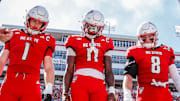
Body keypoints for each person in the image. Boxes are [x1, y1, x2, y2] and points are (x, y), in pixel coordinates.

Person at [0, 5, 55, 101]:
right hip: (10, 81)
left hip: (32, 84)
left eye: (39, 23)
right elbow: (2, 60)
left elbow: (48, 67)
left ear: (44, 25)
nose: (36, 25)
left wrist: (49, 89)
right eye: (34, 21)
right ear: (28, 19)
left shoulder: (46, 40)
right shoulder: (13, 34)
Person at [63, 10, 116, 101]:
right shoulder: (74, 40)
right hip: (80, 82)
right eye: (90, 27)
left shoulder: (106, 41)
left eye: (96, 28)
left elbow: (109, 70)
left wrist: (112, 91)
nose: (93, 31)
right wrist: (65, 92)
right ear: (84, 25)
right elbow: (69, 69)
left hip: (98, 82)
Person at [123, 21, 180, 101]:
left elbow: (176, 77)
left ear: (155, 35)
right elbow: (128, 77)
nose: (148, 40)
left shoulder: (166, 51)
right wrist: (127, 96)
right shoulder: (135, 51)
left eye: (150, 37)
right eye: (144, 38)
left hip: (164, 96)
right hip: (145, 95)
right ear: (140, 38)